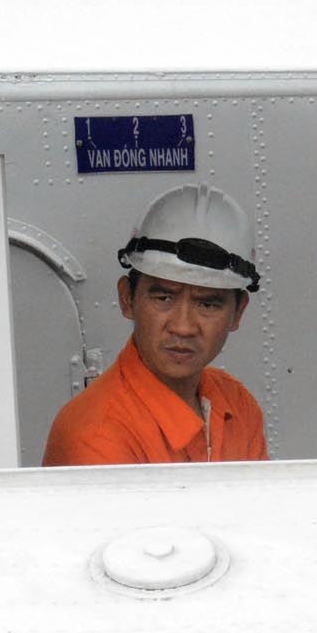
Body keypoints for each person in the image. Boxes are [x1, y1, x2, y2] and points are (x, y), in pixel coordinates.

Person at [43, 184, 268, 466]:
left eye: (208, 304)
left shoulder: (236, 403)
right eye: (164, 298)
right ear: (127, 299)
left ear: (238, 312)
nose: (184, 327)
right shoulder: (97, 435)